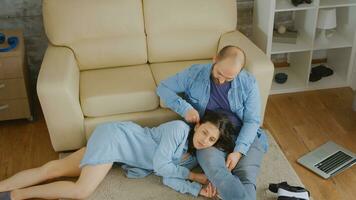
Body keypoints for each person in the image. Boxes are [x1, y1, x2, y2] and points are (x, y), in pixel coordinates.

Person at [0, 111, 235, 200]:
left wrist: (197, 189)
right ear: (198, 125)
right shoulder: (178, 130)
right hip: (116, 138)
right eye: (204, 132)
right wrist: (193, 177)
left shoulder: (193, 157)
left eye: (211, 139)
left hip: (116, 147)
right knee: (81, 190)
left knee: (53, 169)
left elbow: (168, 177)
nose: (205, 139)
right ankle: (18, 195)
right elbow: (161, 166)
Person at [157, 45, 269, 200]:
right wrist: (185, 108)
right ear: (215, 59)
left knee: (246, 177)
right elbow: (163, 87)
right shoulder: (194, 74)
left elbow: (252, 120)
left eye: (229, 78)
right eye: (219, 74)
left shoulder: (248, 83)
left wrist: (238, 151)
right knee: (217, 172)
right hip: (210, 137)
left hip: (242, 134)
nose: (222, 81)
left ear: (240, 71)